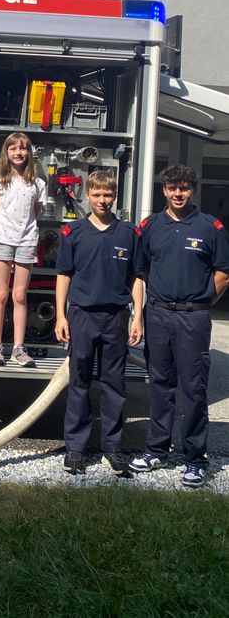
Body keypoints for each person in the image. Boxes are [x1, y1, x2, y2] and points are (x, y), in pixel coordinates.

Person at [129, 165, 229, 488]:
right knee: (159, 384)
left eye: (184, 188)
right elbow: (140, 274)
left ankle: (195, 459)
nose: (178, 193)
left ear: (193, 190)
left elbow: (223, 273)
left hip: (193, 318)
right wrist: (138, 316)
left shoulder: (210, 227)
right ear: (164, 190)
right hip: (156, 315)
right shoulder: (150, 226)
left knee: (194, 388)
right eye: (172, 187)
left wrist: (201, 303)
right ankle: (157, 449)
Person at [54, 170, 140, 477]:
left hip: (115, 317)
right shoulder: (74, 233)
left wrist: (137, 316)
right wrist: (62, 315)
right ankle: (75, 448)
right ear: (87, 195)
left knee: (114, 384)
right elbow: (64, 274)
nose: (103, 200)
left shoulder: (128, 234)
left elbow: (137, 278)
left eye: (108, 195)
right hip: (82, 315)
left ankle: (112, 448)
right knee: (79, 382)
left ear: (115, 196)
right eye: (97, 195)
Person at [0, 132, 47, 368]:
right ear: (7, 152)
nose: (18, 153)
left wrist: (25, 232)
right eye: (13, 149)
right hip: (3, 240)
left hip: (27, 241)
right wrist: (1, 231)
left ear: (29, 153)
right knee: (1, 294)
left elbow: (37, 212)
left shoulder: (38, 183)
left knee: (19, 295)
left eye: (23, 149)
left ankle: (19, 348)